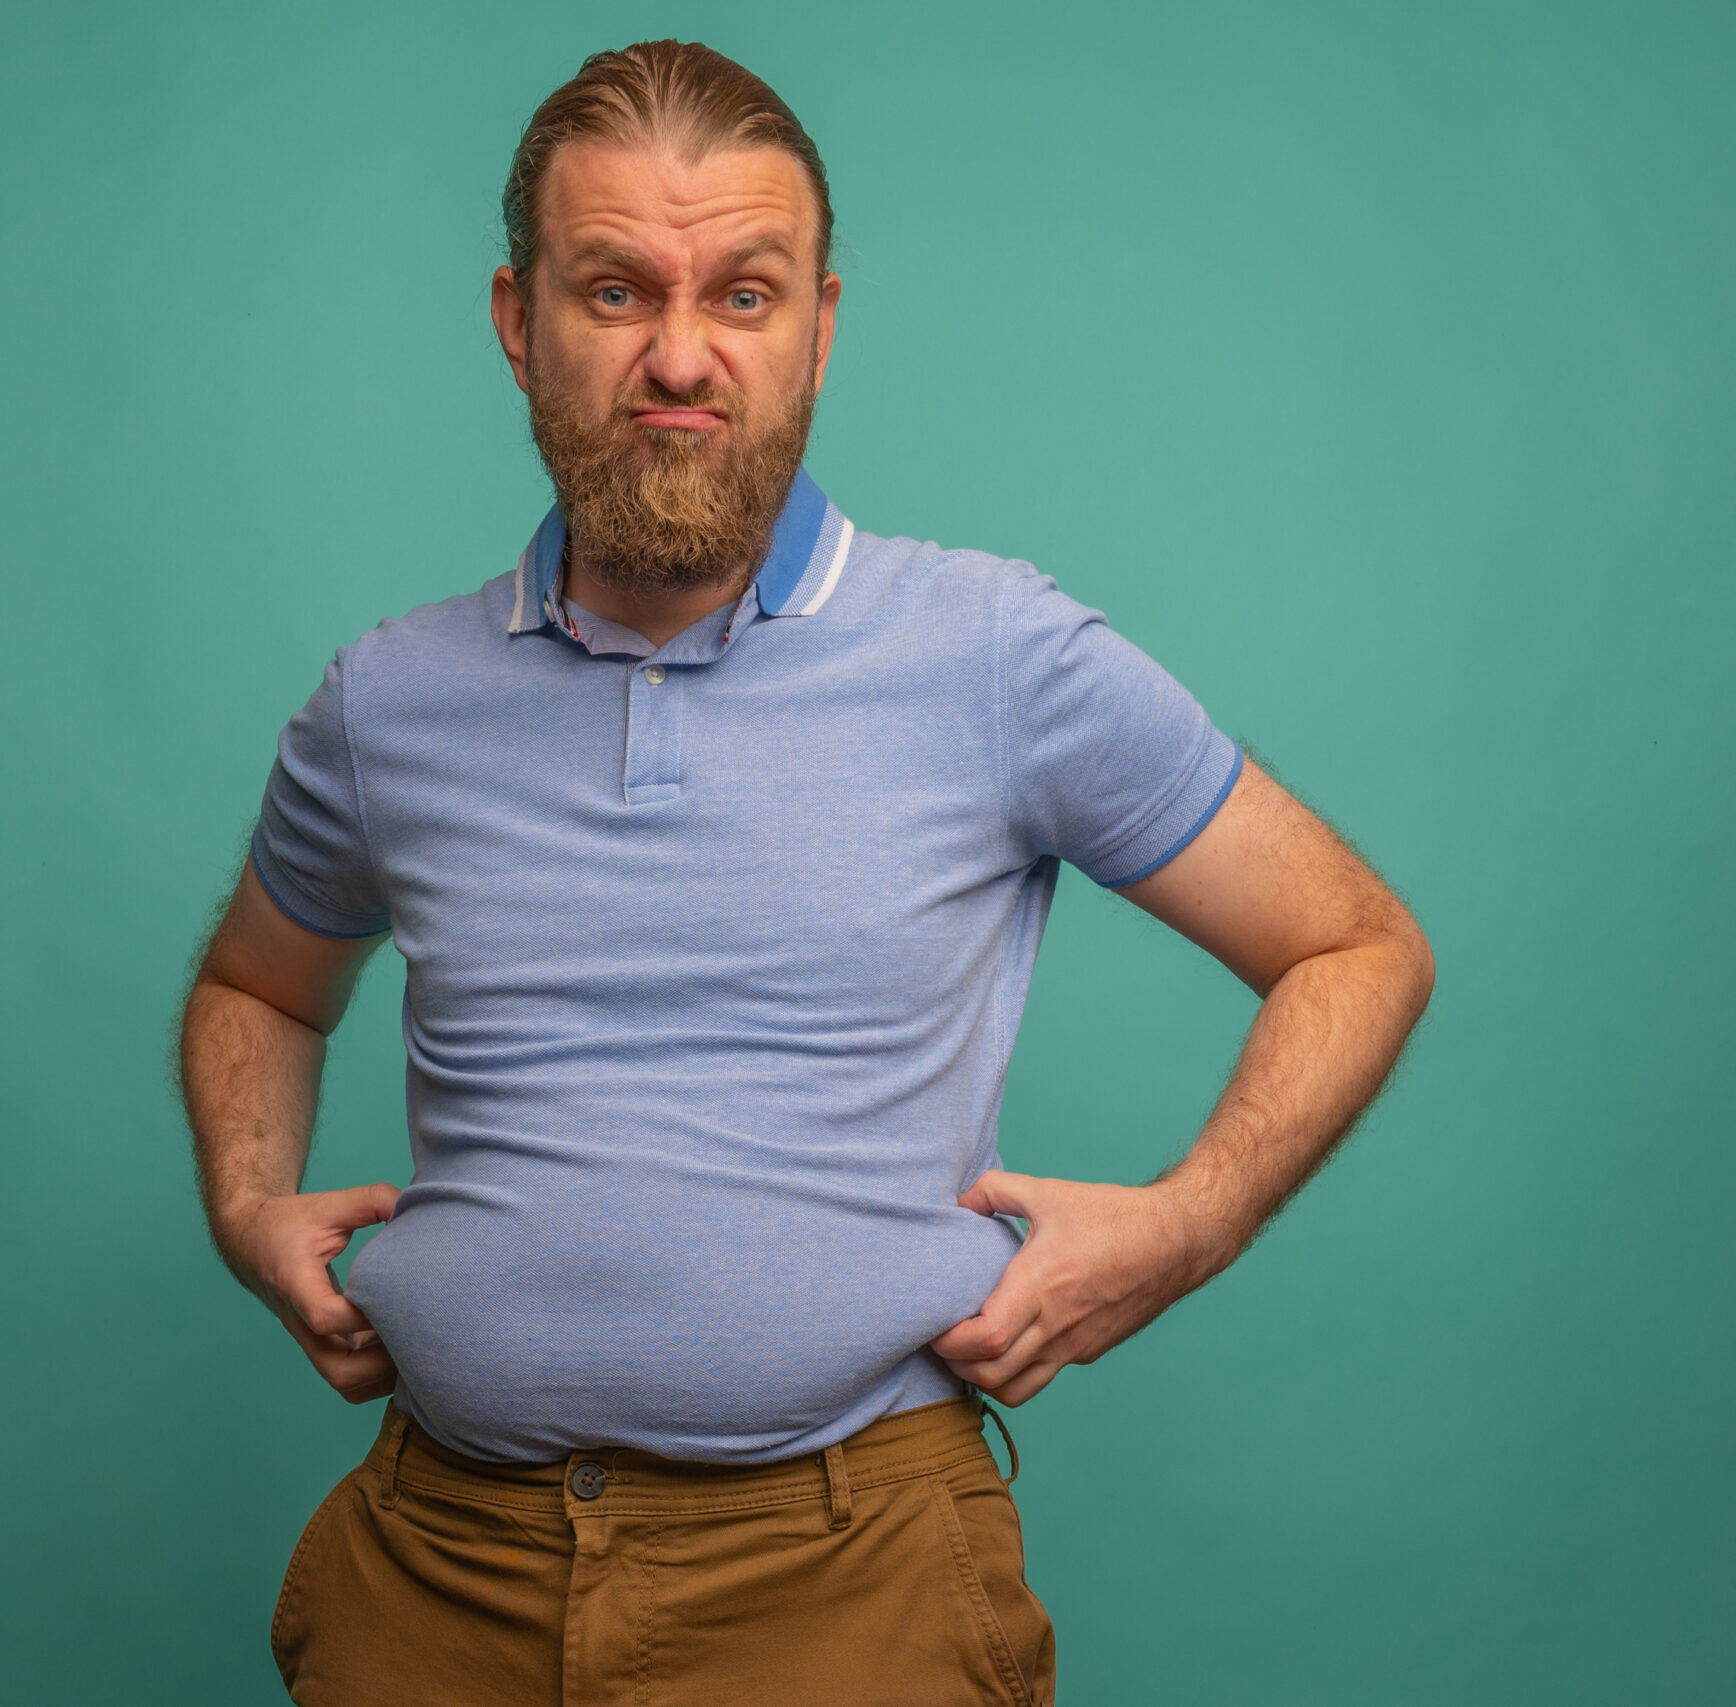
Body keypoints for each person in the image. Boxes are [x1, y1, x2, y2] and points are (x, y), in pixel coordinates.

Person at [177, 39, 1433, 1707]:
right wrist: (250, 1208)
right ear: (517, 321)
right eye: (614, 292)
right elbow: (258, 981)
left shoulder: (997, 655)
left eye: (744, 296)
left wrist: (1186, 1226)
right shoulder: (387, 700)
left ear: (821, 327)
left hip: (855, 1585)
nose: (679, 357)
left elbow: (1354, 942)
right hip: (432, 1581)